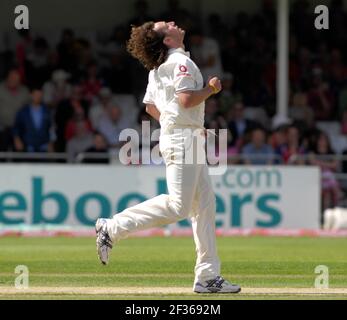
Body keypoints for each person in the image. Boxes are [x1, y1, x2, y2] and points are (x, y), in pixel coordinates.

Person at [95, 21, 241, 294]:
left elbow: (151, 107)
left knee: (205, 206)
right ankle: (112, 227)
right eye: (166, 25)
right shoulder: (179, 63)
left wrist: (180, 125)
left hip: (184, 136)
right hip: (183, 139)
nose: (173, 23)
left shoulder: (156, 70)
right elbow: (186, 100)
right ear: (167, 40)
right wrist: (211, 89)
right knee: (179, 206)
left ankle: (208, 276)